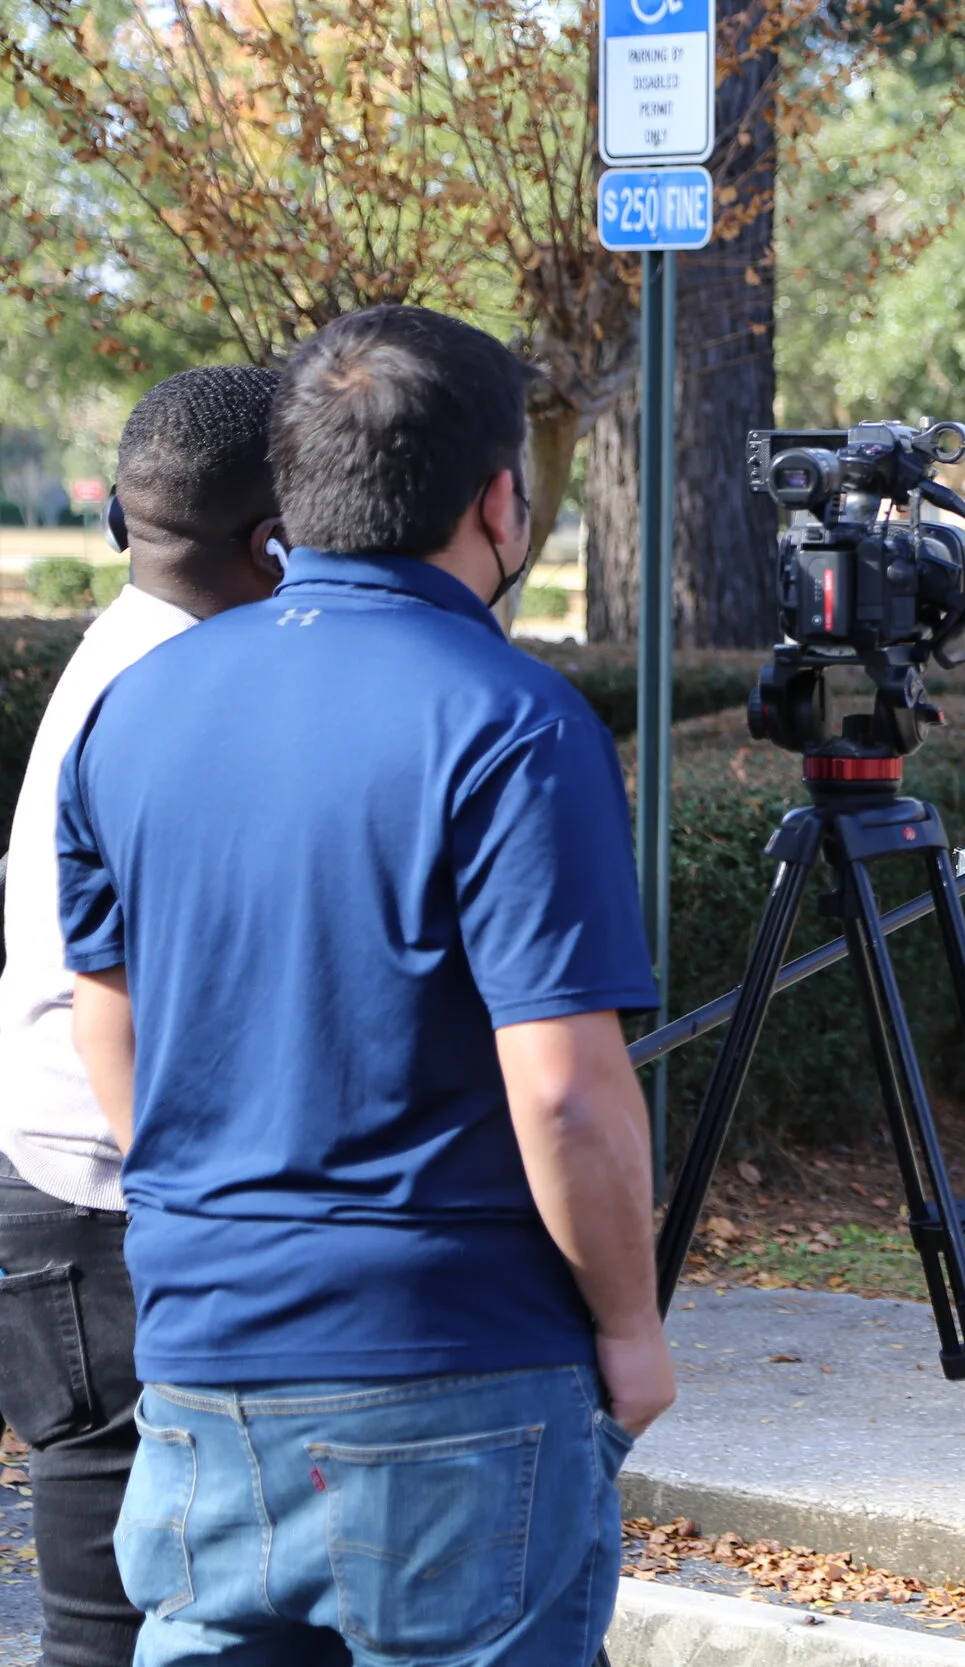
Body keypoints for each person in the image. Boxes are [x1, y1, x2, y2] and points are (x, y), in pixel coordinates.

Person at [55, 303, 671, 1666]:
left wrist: (211, 1217)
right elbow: (566, 1089)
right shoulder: (513, 719)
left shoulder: (134, 706)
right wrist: (630, 1326)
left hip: (200, 1359)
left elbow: (106, 1014)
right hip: (456, 1361)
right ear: (500, 498)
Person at [0, 365, 288, 1667]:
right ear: (279, 534)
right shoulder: (184, 698)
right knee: (115, 1621)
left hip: (69, 1191)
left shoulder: (132, 654)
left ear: (124, 512)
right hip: (116, 1208)